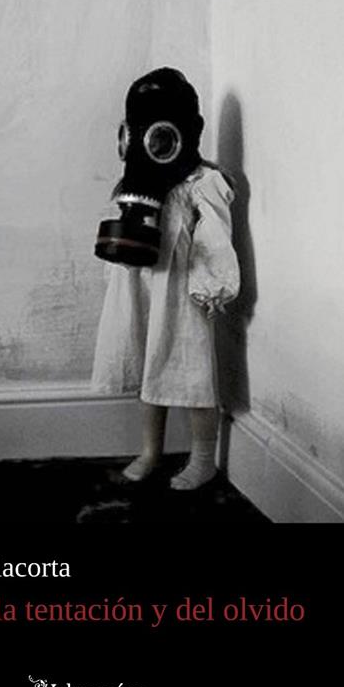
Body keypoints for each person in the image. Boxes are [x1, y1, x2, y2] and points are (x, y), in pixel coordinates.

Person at [91, 67, 240, 490]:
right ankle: (151, 451)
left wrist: (210, 284)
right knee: (149, 366)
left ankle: (203, 458)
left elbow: (215, 239)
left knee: (192, 369)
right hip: (142, 285)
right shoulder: (133, 185)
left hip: (182, 289)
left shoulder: (202, 183)